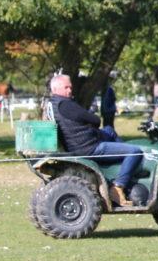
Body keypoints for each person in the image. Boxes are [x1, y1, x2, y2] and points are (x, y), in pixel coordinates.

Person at [49, 74, 142, 206]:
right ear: (56, 88)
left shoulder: (54, 103)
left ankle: (122, 168)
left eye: (70, 87)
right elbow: (95, 120)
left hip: (80, 142)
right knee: (134, 151)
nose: (70, 90)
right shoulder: (66, 104)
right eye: (66, 87)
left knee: (109, 130)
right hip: (89, 147)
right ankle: (118, 186)